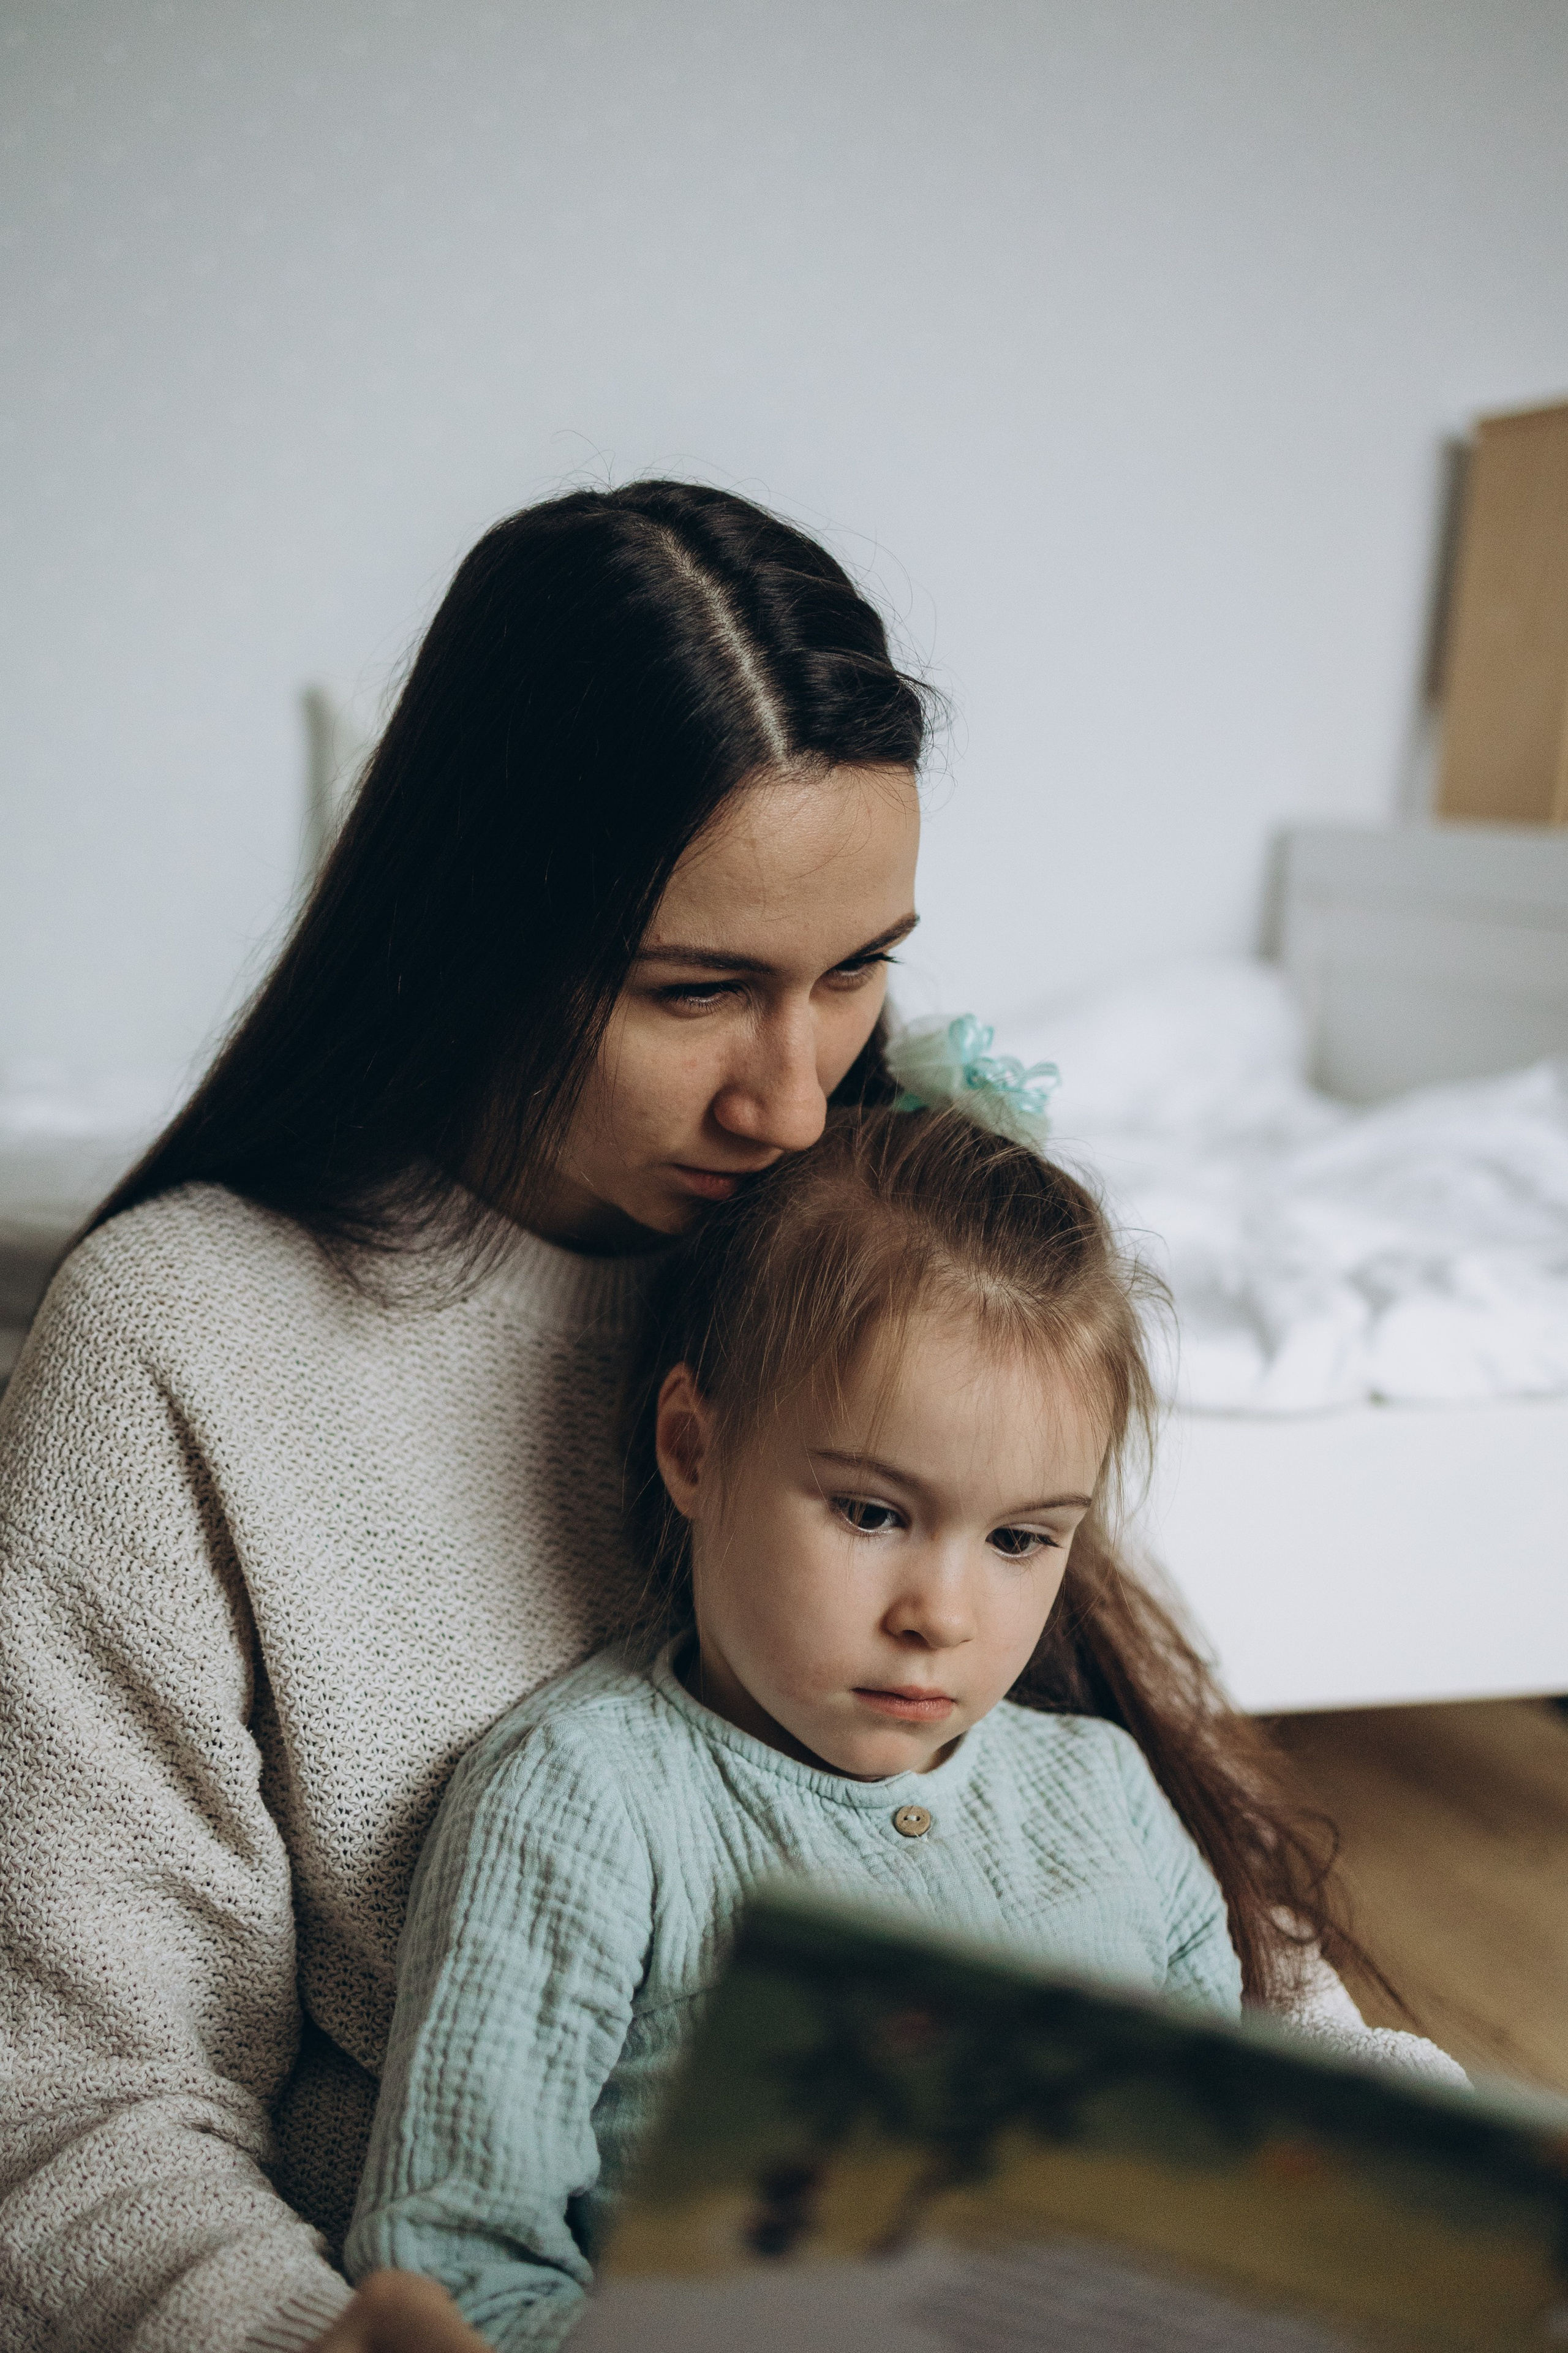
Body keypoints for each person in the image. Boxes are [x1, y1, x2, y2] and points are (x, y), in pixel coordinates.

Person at [0, 482, 927, 2353]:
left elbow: (1138, 1833)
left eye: (856, 972)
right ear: (477, 927)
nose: (798, 1101)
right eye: (698, 992)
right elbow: (80, 2105)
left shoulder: (892, 1266)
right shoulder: (180, 1342)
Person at [342, 1106, 1460, 2351]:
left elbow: (1221, 2170)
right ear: (692, 1448)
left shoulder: (1103, 1794)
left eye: (1020, 1539)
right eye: (871, 1513)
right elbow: (448, 2268)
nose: (939, 1614)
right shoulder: (586, 1797)